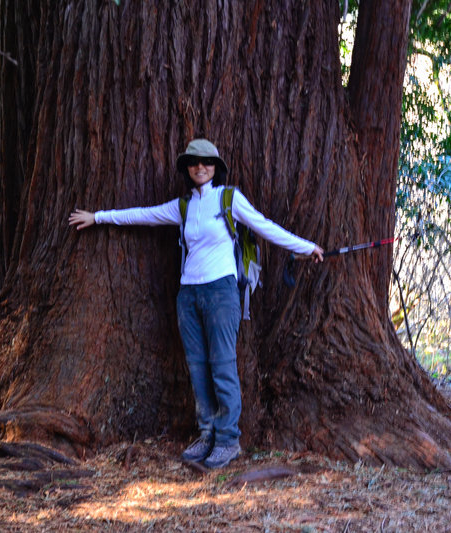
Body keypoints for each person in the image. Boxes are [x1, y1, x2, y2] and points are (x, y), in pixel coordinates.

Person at [68, 138, 323, 469]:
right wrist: (98, 217)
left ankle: (228, 440)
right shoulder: (184, 206)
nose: (199, 167)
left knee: (222, 365)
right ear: (188, 168)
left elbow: (265, 226)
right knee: (198, 368)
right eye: (193, 162)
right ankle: (207, 434)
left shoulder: (229, 199)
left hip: (221, 292)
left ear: (216, 167)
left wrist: (305, 247)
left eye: (206, 162)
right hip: (188, 295)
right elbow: (144, 215)